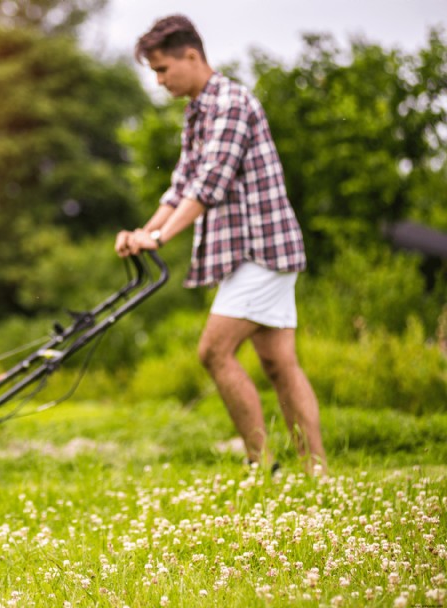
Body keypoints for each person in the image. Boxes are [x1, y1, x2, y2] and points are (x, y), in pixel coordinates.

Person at [116, 14, 326, 474]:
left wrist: (159, 237)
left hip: (261, 251)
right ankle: (316, 472)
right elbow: (180, 187)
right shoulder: (199, 110)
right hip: (251, 255)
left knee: (213, 351)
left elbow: (209, 186)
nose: (159, 80)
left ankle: (260, 465)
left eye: (162, 69)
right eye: (153, 72)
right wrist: (143, 233)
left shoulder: (231, 103)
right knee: (279, 364)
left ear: (191, 56)